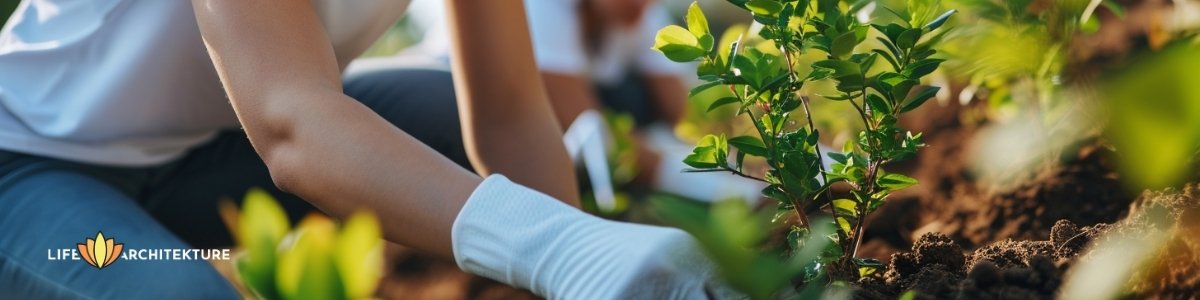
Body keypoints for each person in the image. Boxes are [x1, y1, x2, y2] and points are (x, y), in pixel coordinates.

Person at [0, 0, 734, 298]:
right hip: (32, 162)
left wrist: (585, 269)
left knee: (439, 109)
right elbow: (291, 126)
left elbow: (509, 113)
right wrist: (560, 249)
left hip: (211, 146)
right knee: (180, 294)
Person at [363, 0, 769, 204]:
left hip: (532, 111)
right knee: (455, 113)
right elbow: (583, 123)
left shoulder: (638, 11)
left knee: (630, 97)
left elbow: (684, 115)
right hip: (431, 86)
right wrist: (734, 192)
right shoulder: (543, 8)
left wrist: (759, 165)